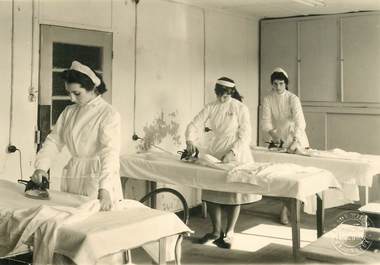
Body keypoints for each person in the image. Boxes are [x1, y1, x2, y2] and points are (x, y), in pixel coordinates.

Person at [31, 60, 123, 211]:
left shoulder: (108, 114)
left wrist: (105, 188)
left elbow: (110, 153)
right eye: (69, 93)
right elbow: (54, 141)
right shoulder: (69, 111)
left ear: (92, 88)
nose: (71, 98)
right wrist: (41, 167)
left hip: (98, 177)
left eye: (77, 93)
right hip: (74, 173)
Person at [185, 77, 261, 249]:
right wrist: (189, 139)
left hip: (236, 151)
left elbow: (245, 134)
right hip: (215, 150)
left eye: (225, 95)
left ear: (231, 93)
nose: (221, 98)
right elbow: (194, 124)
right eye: (219, 95)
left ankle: (229, 233)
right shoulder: (211, 107)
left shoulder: (240, 108)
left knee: (233, 193)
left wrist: (233, 152)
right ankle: (215, 231)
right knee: (212, 190)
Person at [261, 67, 309, 224]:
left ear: (285, 84)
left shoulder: (293, 98)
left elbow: (300, 122)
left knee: (299, 175)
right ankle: (286, 209)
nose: (278, 87)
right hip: (279, 139)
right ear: (272, 84)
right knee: (285, 175)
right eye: (275, 84)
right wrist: (275, 137)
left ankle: (289, 209)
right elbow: (266, 122)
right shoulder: (268, 99)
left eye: (281, 83)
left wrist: (295, 140)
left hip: (296, 137)